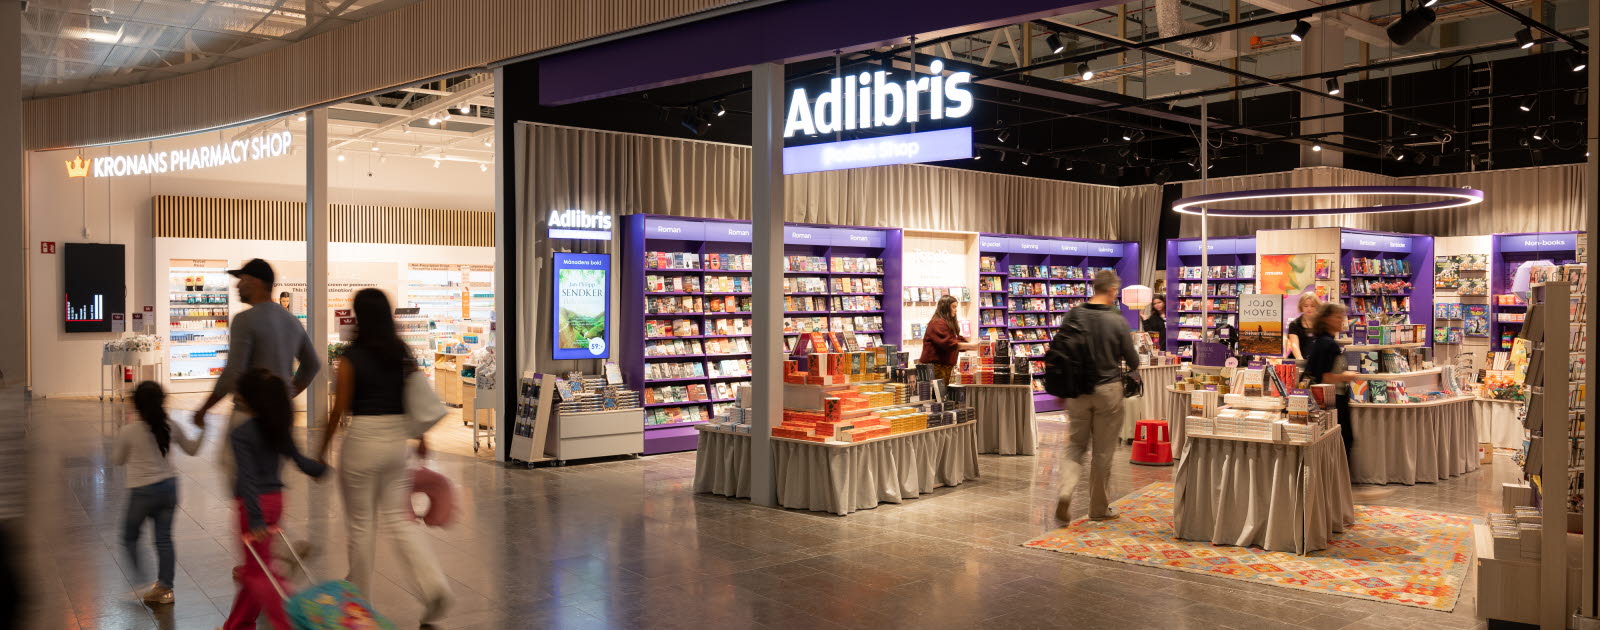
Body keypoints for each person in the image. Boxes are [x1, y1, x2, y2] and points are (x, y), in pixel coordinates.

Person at [317, 289, 452, 626]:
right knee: (399, 520)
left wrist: (322, 447)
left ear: (359, 317)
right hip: (396, 443)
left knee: (362, 525)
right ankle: (433, 587)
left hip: (362, 441)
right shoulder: (401, 352)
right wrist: (422, 436)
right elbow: (413, 398)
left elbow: (340, 410)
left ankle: (360, 604)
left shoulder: (350, 357)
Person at [224, 369, 329, 630]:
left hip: (253, 508)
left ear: (248, 399)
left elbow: (247, 477)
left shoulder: (242, 433)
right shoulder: (277, 425)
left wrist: (255, 516)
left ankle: (289, 620)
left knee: (259, 574)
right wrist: (318, 469)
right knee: (256, 568)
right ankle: (237, 625)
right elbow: (298, 458)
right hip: (276, 501)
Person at [194, 258, 321, 432]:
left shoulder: (244, 320)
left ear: (255, 281)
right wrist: (286, 395)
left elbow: (232, 373)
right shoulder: (292, 321)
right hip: (281, 417)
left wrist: (204, 409)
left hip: (249, 417)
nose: (237, 286)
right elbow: (312, 364)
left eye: (242, 279)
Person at [1055, 270, 1142, 523]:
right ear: (1113, 290)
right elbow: (1133, 361)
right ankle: (1098, 508)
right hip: (1108, 391)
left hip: (1077, 391)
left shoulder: (1073, 315)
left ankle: (1065, 491)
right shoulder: (1117, 321)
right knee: (1103, 452)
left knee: (1075, 445)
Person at [114, 382, 205, 606]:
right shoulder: (170, 425)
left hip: (142, 492)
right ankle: (166, 588)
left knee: (129, 535)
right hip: (169, 489)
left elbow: (117, 460)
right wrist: (204, 428)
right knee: (163, 539)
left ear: (136, 405)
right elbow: (192, 450)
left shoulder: (130, 430)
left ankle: (140, 579)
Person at [918, 295, 979, 382]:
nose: (956, 310)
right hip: (935, 367)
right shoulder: (938, 323)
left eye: (956, 307)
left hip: (942, 367)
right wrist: (973, 346)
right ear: (945, 307)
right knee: (936, 394)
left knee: (941, 394)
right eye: (953, 307)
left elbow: (957, 339)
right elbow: (949, 343)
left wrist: (974, 346)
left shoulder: (946, 323)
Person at [1286, 293, 1321, 360]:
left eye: (1312, 306)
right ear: (1301, 307)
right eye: (1306, 306)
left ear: (1317, 307)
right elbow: (1294, 345)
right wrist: (1301, 361)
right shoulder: (1294, 324)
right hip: (1298, 361)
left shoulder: (1322, 324)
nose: (1309, 308)